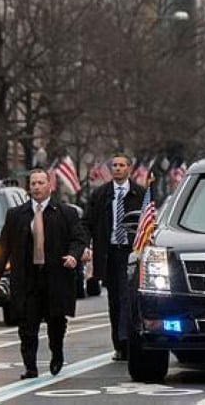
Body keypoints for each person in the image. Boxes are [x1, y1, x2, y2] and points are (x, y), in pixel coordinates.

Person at [0, 169, 86, 379]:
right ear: (29, 187)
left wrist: (73, 256)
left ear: (49, 185)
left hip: (56, 276)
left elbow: (78, 239)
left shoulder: (65, 213)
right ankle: (30, 366)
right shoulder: (16, 215)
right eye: (33, 183)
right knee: (26, 323)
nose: (37, 187)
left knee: (56, 321)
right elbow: (4, 245)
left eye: (41, 183)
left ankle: (56, 353)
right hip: (26, 277)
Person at [83, 153, 146, 361]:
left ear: (130, 168)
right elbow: (87, 223)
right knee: (115, 300)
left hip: (131, 253)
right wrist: (85, 247)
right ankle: (119, 344)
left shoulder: (140, 194)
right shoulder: (101, 194)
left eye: (121, 165)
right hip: (109, 252)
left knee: (129, 297)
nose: (117, 168)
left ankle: (129, 340)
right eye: (114, 165)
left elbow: (150, 224)